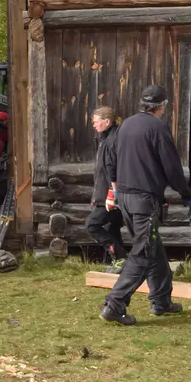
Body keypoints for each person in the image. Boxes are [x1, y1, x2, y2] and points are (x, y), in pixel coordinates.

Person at [99, 85, 191, 326]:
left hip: (126, 199)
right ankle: (115, 304)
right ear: (162, 106)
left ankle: (161, 300)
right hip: (143, 201)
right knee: (142, 253)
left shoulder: (125, 126)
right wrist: (185, 193)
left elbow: (110, 159)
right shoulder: (158, 128)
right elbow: (171, 166)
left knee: (153, 248)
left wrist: (116, 189)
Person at [84, 106, 126, 269]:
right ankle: (119, 263)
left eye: (95, 122)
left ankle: (120, 257)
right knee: (112, 228)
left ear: (106, 121)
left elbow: (114, 169)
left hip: (110, 195)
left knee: (92, 225)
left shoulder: (113, 140)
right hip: (105, 194)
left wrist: (111, 194)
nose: (93, 125)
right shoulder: (103, 139)